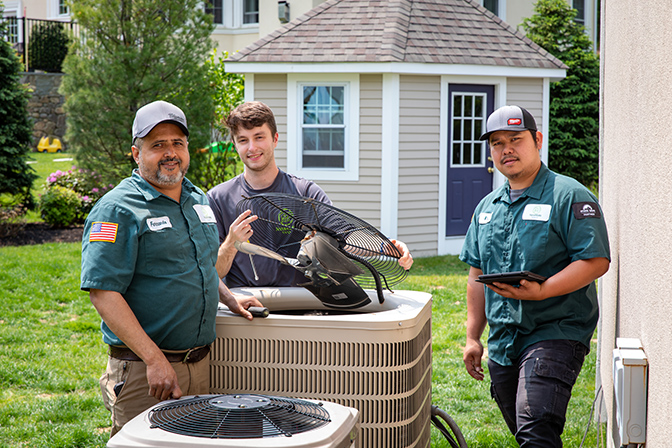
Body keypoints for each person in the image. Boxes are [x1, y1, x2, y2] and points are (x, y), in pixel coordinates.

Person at [80, 100, 262, 436]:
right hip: (145, 372)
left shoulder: (198, 200)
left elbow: (200, 265)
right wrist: (153, 360)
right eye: (158, 145)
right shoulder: (117, 209)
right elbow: (104, 293)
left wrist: (227, 297)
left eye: (177, 143)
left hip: (201, 365)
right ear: (136, 154)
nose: (170, 152)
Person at [459, 105, 610, 447]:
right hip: (503, 341)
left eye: (515, 139)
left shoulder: (568, 195)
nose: (506, 149)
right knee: (528, 434)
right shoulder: (486, 208)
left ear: (537, 140)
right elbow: (476, 275)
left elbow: (596, 261)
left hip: (555, 330)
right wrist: (473, 337)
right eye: (497, 143)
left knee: (536, 428)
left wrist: (544, 291)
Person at [207, 101, 413, 288]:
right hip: (246, 308)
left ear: (275, 139)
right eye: (243, 140)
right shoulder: (218, 199)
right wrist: (231, 243)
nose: (252, 147)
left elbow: (346, 235)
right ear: (235, 145)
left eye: (259, 137)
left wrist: (387, 246)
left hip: (299, 305)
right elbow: (211, 273)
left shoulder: (304, 193)